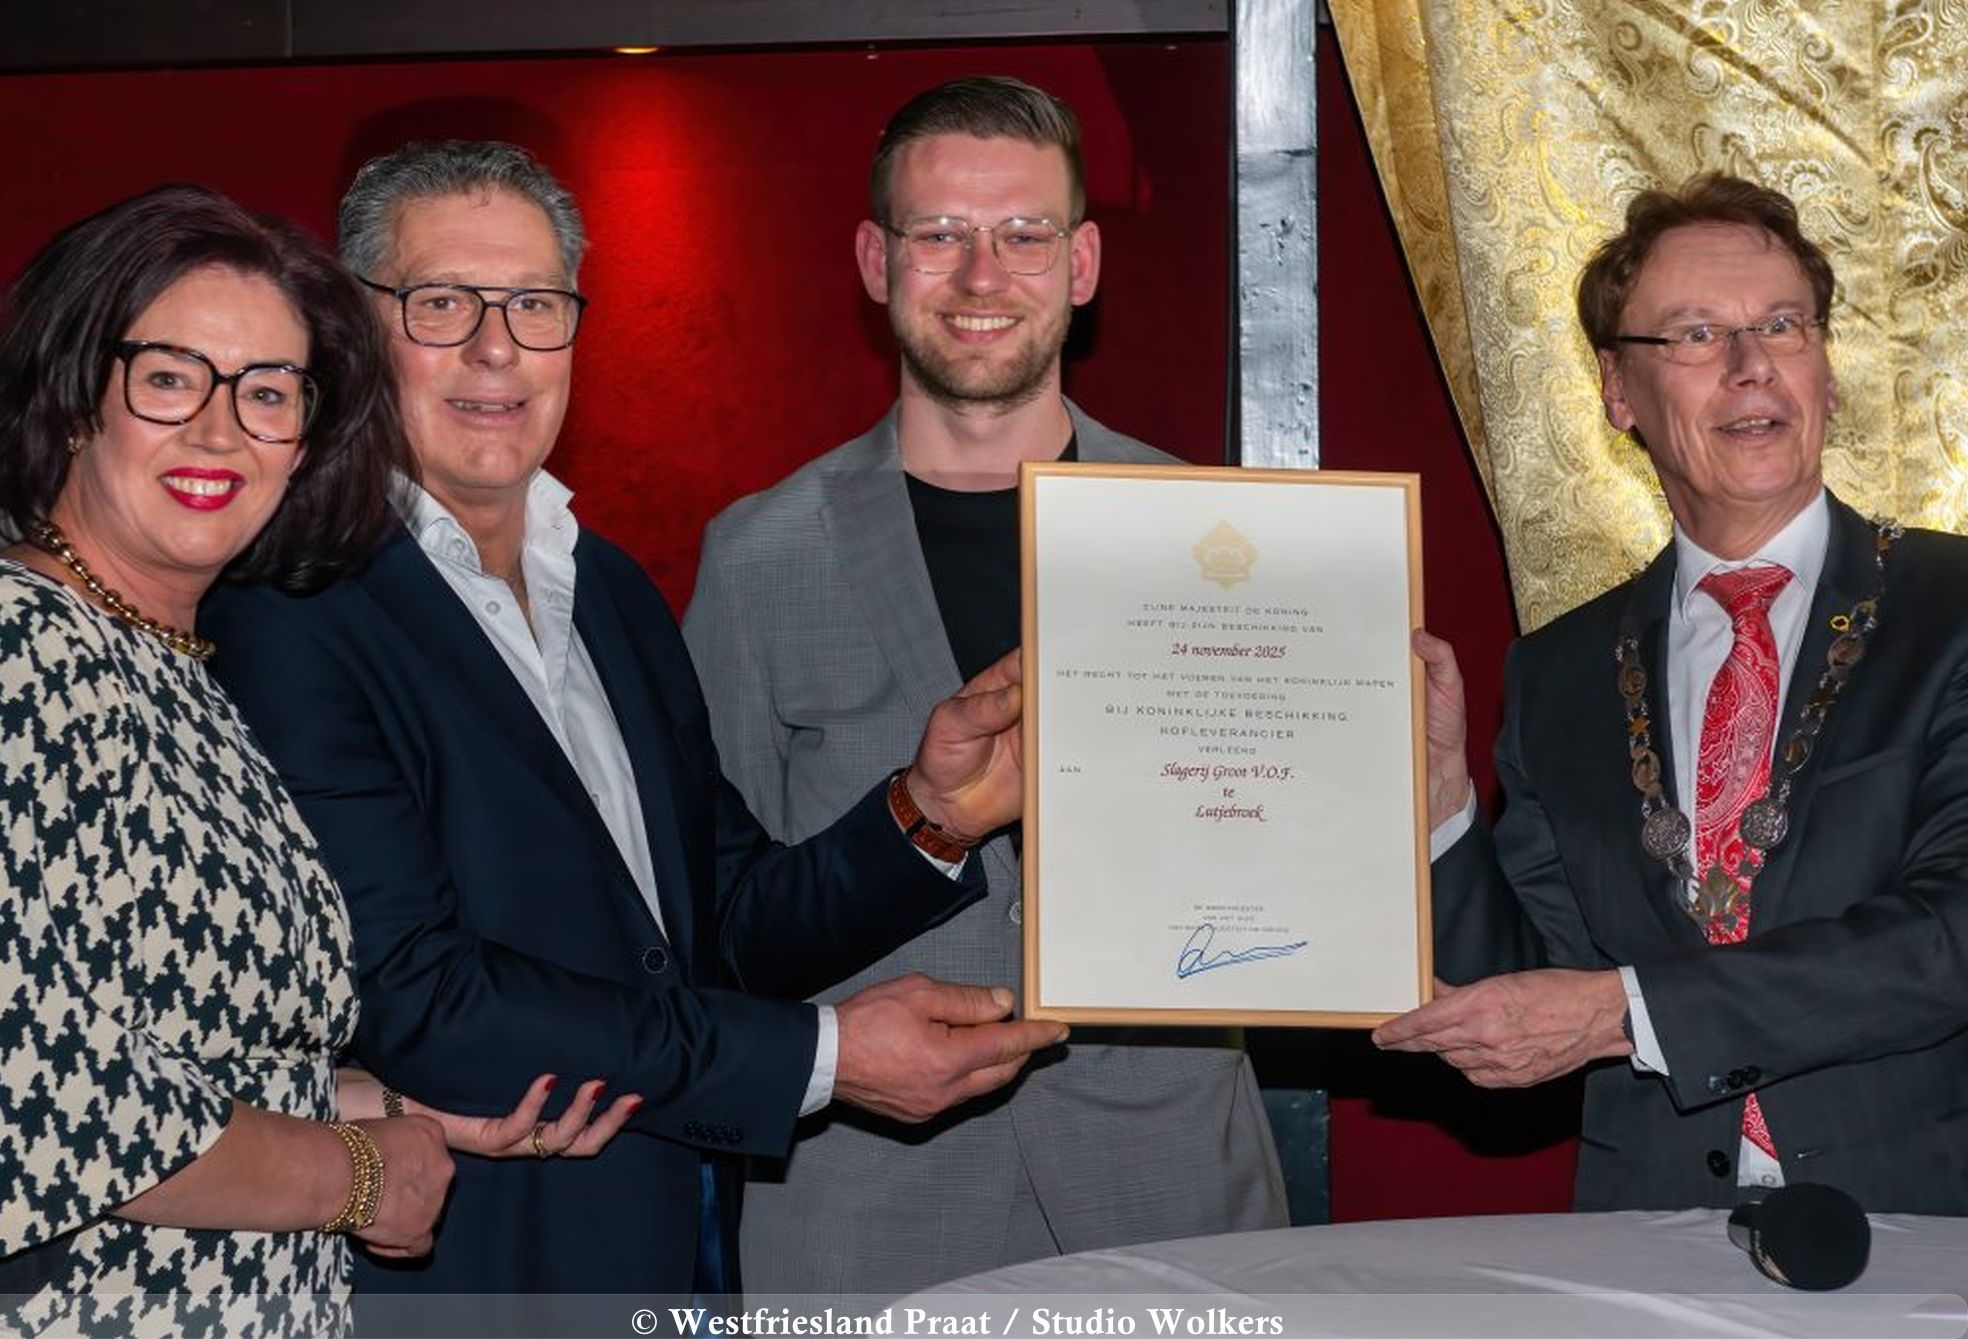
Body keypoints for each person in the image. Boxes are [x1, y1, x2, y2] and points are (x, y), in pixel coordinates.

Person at [199, 140, 1067, 1308]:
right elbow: (415, 995)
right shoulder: (289, 600)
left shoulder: (603, 585)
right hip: (476, 1271)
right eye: (443, 302)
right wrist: (822, 1060)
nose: (496, 348)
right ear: (355, 329)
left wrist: (931, 814)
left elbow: (720, 924)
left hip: (678, 1253)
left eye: (536, 304)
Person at [0, 184, 598, 1328]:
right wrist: (362, 1177)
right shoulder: (1, 649)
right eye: (168, 378)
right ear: (66, 404)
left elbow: (181, 1053)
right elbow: (18, 1101)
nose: (218, 430)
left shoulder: (176, 670)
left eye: (266, 394)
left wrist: (401, 1108)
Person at [684, 76, 1286, 1298]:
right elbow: (708, 924)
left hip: (1168, 1184)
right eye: (938, 234)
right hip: (862, 1207)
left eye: (1022, 234)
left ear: (1083, 263)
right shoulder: (759, 556)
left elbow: (1291, 864)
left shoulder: (1223, 537)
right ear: (874, 259)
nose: (978, 276)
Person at [1377, 174, 1968, 1213]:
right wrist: (1440, 810)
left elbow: (1949, 935)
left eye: (1782, 326)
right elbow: (1522, 1001)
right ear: (1618, 393)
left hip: (1926, 1231)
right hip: (1649, 1240)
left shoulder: (1952, 607)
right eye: (1695, 335)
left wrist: (1629, 1015)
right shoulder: (1556, 670)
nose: (1751, 368)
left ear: (1824, 370)